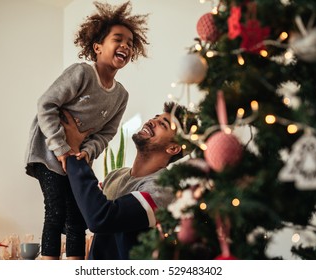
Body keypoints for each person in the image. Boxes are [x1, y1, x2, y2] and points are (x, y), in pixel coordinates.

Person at [24, 1, 149, 260]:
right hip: (47, 153)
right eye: (118, 39)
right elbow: (45, 105)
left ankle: (76, 264)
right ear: (97, 47)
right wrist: (60, 146)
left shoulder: (121, 95)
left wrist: (87, 151)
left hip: (77, 157)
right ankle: (48, 262)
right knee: (56, 210)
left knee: (78, 216)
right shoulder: (81, 73)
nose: (125, 45)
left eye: (129, 42)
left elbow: (107, 134)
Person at [61, 101, 196, 259]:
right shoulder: (115, 176)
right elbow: (82, 216)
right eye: (155, 117)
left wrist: (72, 153)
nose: (152, 121)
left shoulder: (162, 189)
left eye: (162, 124)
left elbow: (100, 218)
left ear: (173, 148)